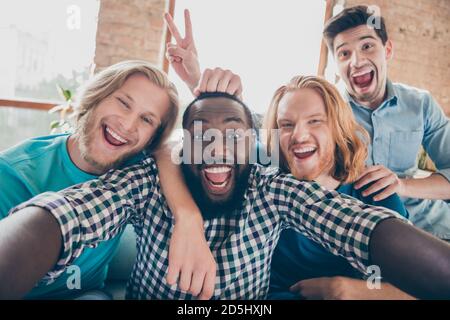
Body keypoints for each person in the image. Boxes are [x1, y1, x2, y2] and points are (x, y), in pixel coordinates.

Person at [1, 91, 450, 300]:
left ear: (255, 144)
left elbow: (357, 224)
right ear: (182, 147)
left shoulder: (273, 189)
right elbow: (67, 215)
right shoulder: (147, 184)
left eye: (232, 134)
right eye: (202, 134)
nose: (216, 147)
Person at [0, 60, 216, 299]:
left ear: (151, 141)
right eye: (123, 103)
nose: (127, 124)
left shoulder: (136, 166)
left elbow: (199, 152)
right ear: (97, 96)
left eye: (147, 120)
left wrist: (189, 218)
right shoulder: (11, 174)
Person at [263, 75, 413, 299]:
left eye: (315, 121)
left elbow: (414, 286)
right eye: (286, 125)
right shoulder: (266, 184)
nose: (298, 135)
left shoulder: (375, 193)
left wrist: (350, 290)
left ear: (337, 130)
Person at [323, 5, 450, 239]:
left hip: (431, 228)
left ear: (387, 49)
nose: (356, 61)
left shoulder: (420, 104)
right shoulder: (325, 111)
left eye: (367, 46)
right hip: (364, 237)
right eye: (344, 53)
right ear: (337, 65)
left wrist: (402, 186)